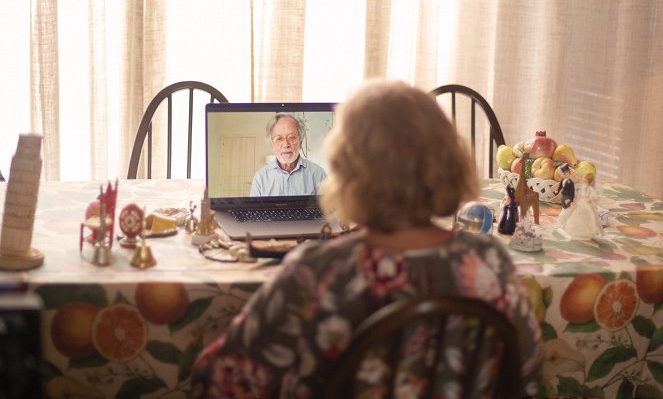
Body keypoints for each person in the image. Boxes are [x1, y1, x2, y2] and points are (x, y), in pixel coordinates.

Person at [190, 80, 543, 398]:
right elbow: (527, 380)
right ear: (448, 161)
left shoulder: (317, 272)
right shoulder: (491, 262)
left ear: (347, 170)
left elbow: (218, 379)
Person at [249, 113, 327, 196]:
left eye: (291, 137)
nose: (286, 145)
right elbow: (254, 208)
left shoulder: (318, 174)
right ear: (272, 144)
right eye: (279, 139)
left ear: (300, 142)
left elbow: (328, 208)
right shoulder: (260, 177)